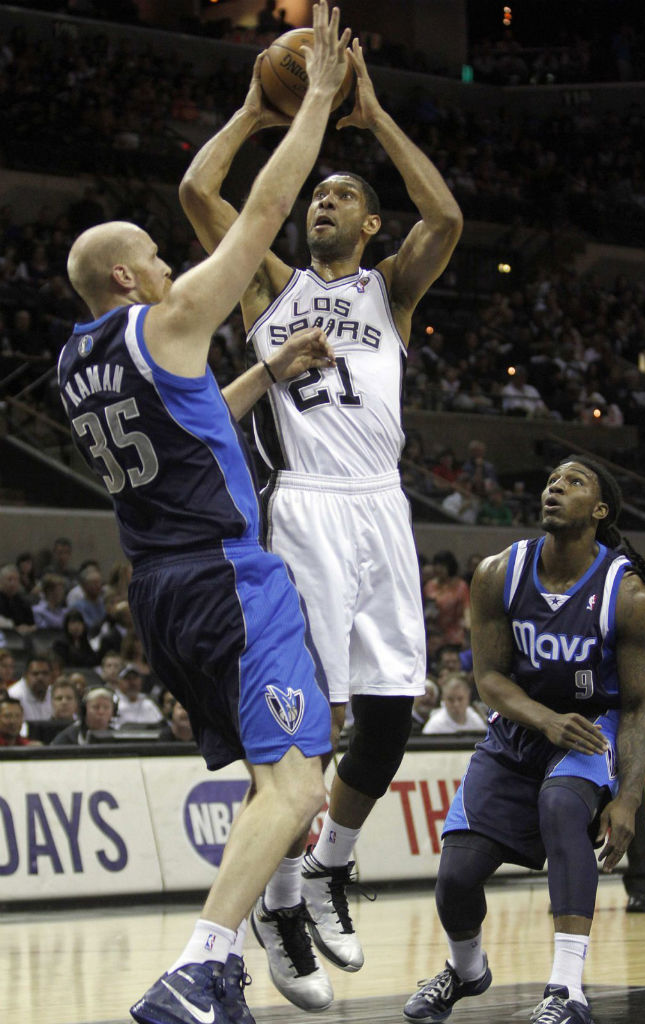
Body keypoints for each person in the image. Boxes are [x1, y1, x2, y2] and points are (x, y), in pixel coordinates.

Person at [57, 7, 350, 1023]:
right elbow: (258, 215)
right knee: (301, 788)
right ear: (133, 279)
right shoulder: (169, 318)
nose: (175, 268)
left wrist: (265, 370)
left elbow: (187, 434)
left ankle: (214, 968)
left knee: (279, 785)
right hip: (230, 578)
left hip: (161, 591)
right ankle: (201, 964)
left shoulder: (74, 364)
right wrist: (310, 103)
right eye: (158, 257)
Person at [179, 33, 462, 1011]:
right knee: (318, 714)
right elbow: (198, 198)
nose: (319, 205)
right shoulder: (271, 286)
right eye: (313, 199)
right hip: (306, 507)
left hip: (384, 504)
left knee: (390, 710)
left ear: (370, 220)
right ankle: (283, 897)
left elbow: (449, 214)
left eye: (337, 196)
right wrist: (260, 115)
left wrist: (374, 112)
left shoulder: (389, 290)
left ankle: (330, 865)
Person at [404, 456, 645, 1024]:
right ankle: (466, 971)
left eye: (574, 483)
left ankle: (567, 992)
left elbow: (641, 705)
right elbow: (488, 678)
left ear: (600, 510)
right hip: (520, 729)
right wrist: (543, 718)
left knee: (562, 803)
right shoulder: (499, 572)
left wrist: (629, 798)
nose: (554, 489)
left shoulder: (629, 595)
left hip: (593, 729)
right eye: (550, 481)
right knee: (455, 880)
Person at [51, 685, 117, 746]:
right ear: (85, 710)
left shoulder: (117, 736)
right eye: (96, 707)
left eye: (106, 707)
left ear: (113, 712)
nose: (101, 712)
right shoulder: (69, 737)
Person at [421, 673, 486, 735]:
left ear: (468, 697)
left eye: (460, 699)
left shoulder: (476, 721)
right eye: (450, 699)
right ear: (443, 699)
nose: (456, 704)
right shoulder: (434, 726)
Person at [114, 662, 163, 727]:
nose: (132, 682)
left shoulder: (149, 703)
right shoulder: (112, 702)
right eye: (127, 678)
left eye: (135, 678)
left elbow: (160, 725)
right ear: (118, 681)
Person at [8, 656, 53, 722]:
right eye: (35, 674)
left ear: (51, 675)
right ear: (25, 675)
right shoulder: (13, 695)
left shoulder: (54, 693)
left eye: (45, 673)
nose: (40, 678)